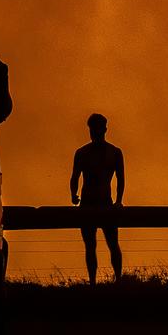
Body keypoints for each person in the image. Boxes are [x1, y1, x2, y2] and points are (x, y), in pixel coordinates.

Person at [70, 113, 125, 285]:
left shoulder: (87, 152)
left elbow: (74, 178)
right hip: (97, 203)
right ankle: (105, 280)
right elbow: (75, 177)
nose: (94, 132)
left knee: (105, 244)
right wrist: (118, 200)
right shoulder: (111, 152)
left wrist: (73, 195)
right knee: (101, 244)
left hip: (98, 203)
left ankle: (108, 280)